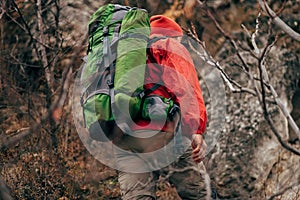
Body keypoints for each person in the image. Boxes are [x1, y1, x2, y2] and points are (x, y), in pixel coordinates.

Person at [114, 15, 208, 199]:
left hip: (127, 140)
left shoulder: (124, 55)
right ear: (174, 35)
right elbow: (185, 88)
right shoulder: (169, 46)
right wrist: (195, 129)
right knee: (201, 195)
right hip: (165, 134)